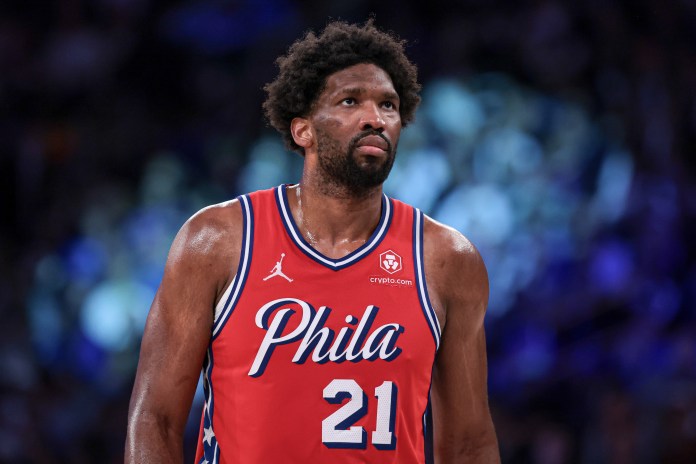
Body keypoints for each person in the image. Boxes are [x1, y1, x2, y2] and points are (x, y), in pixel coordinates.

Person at [125, 19, 500, 464]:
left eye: (388, 106)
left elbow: (469, 444)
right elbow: (155, 420)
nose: (375, 118)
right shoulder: (217, 241)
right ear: (303, 130)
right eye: (350, 101)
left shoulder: (445, 259)